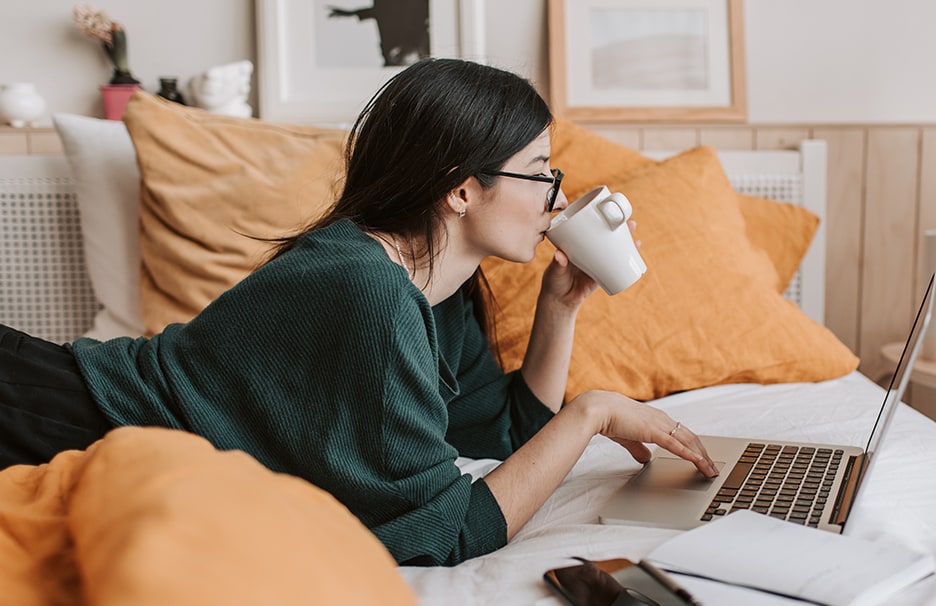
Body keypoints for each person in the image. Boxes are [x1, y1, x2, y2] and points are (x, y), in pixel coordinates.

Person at [0, 58, 717, 567]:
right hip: (60, 418)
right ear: (461, 191)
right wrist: (590, 413)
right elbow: (450, 533)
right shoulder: (368, 292)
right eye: (540, 173)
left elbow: (501, 436)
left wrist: (560, 310)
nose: (556, 198)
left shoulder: (438, 285)